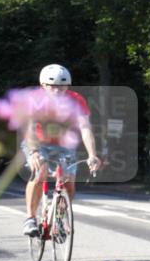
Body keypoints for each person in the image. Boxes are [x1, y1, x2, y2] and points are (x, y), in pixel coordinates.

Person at [22, 64, 100, 236]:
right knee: (40, 173)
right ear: (43, 85)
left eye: (62, 86)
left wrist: (92, 155)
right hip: (37, 142)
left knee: (69, 185)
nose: (58, 90)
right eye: (53, 86)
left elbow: (85, 127)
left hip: (64, 145)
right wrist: (34, 152)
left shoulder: (76, 99)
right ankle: (30, 218)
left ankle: (58, 218)